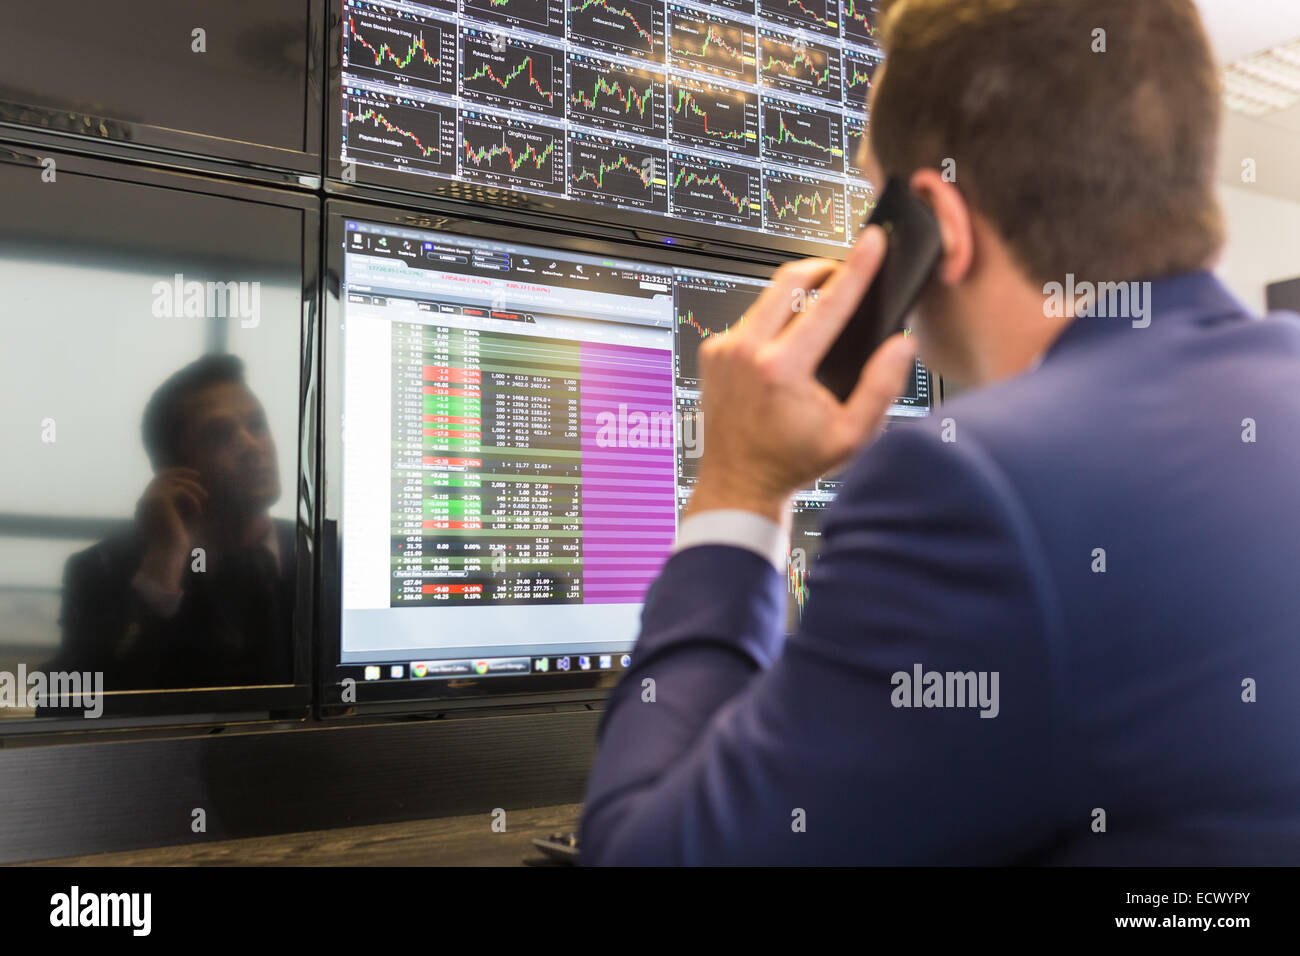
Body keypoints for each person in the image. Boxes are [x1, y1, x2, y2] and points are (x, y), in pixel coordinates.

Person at [579, 0, 1300, 864]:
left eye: (868, 194)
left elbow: (644, 854)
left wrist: (739, 484)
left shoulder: (982, 485)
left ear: (933, 225)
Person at [49, 354, 295, 693]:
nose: (253, 446)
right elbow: (69, 705)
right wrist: (162, 565)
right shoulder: (101, 569)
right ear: (173, 471)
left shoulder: (330, 556)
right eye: (221, 434)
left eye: (257, 425)